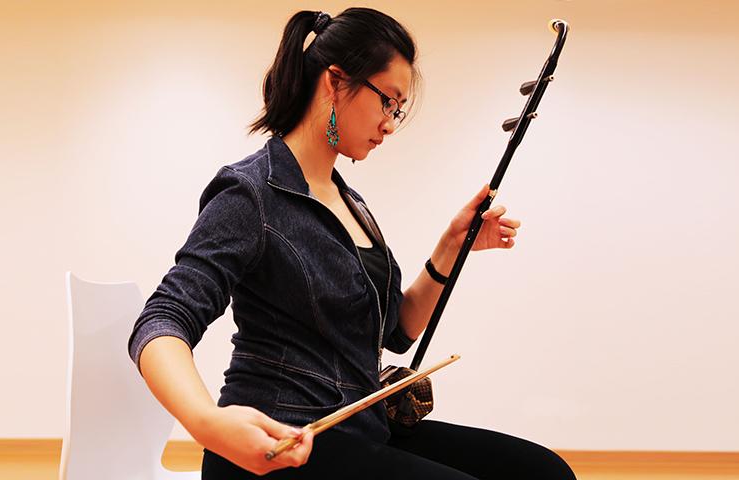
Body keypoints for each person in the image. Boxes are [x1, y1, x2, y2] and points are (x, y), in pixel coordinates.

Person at [128, 7, 576, 479]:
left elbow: (396, 333)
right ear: (335, 81)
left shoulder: (350, 200)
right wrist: (209, 425)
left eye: (398, 110)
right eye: (388, 102)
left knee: (544, 472)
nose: (390, 123)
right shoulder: (250, 192)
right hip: (279, 444)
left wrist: (451, 245)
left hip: (360, 430)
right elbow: (162, 319)